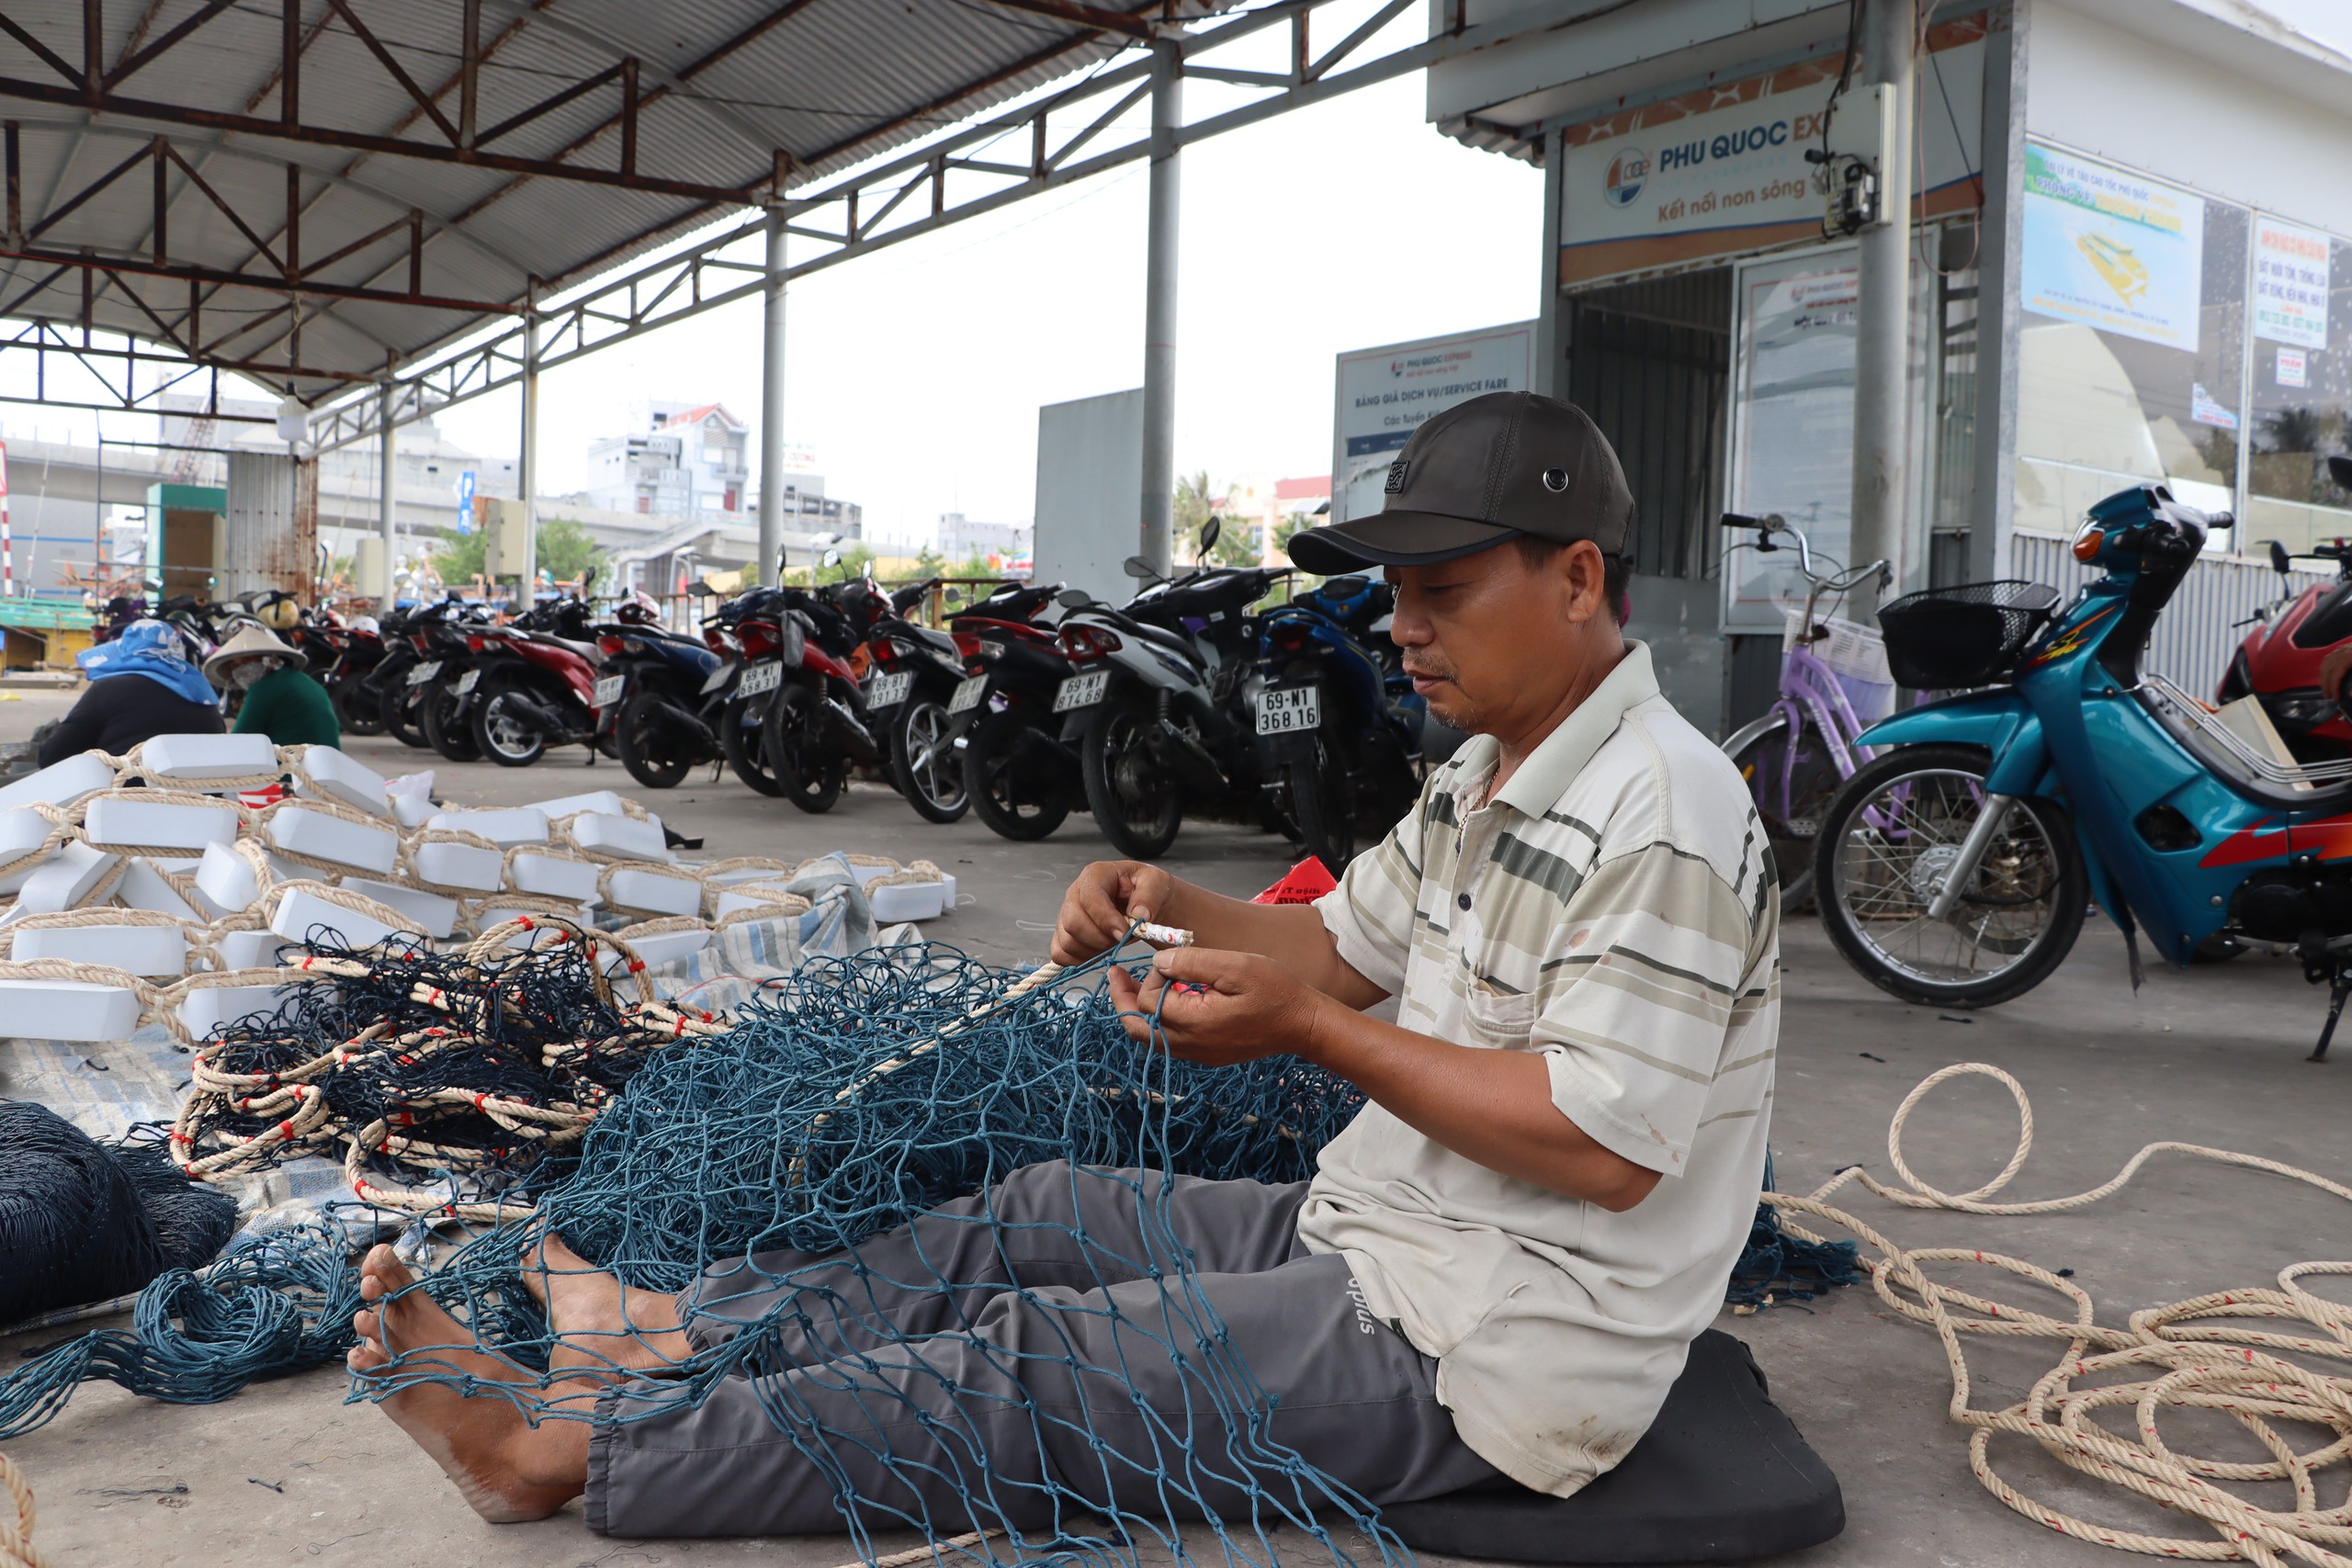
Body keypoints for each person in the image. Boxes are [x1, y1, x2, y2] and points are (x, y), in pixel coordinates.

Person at [347, 391, 1781, 1537]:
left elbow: (1603, 1148)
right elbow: (1343, 948)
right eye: (1396, 590)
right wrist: (1175, 903)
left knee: (1037, 1366)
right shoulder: (1491, 775)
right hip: (1393, 1227)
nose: (1402, 625)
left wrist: (1311, 1036)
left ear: (1579, 577)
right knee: (1033, 1209)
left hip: (1503, 1339)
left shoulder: (1666, 811)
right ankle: (680, 1328)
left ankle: (557, 1455)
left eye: (1444, 589)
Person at [37, 618, 222, 766]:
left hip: (122, 802)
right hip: (199, 801)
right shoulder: (203, 694)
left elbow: (52, 757)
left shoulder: (109, 688)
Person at [204, 624, 339, 748]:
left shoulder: (265, 688)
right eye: (234, 665)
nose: (239, 668)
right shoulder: (304, 681)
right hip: (328, 765)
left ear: (266, 658)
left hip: (295, 768)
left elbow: (240, 739)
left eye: (246, 660)